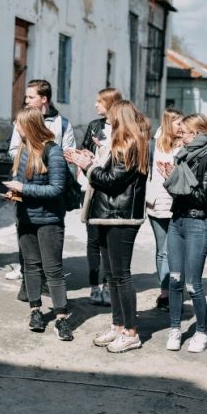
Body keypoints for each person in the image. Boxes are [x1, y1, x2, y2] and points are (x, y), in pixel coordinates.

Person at [66, 100, 149, 353]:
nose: (107, 121)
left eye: (111, 117)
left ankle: (131, 332)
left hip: (120, 217)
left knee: (121, 275)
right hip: (107, 214)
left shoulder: (130, 145)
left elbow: (112, 181)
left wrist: (88, 166)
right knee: (112, 275)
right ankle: (118, 324)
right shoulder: (118, 144)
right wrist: (91, 160)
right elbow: (105, 175)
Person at [3, 107, 73, 341]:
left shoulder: (53, 151)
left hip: (49, 220)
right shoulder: (22, 150)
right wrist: (14, 193)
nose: (16, 127)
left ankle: (61, 317)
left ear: (30, 126)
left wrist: (23, 188)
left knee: (53, 270)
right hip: (25, 218)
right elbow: (21, 183)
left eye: (19, 124)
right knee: (31, 267)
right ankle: (35, 311)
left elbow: (56, 189)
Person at [7, 79, 76, 301]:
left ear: (43, 99)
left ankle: (49, 290)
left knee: (49, 247)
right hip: (26, 184)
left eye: (31, 97)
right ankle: (28, 285)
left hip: (48, 189)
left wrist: (48, 162)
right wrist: (29, 161)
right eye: (26, 97)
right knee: (26, 240)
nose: (26, 100)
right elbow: (14, 150)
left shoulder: (62, 124)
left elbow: (68, 157)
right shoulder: (22, 121)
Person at [163, 114, 207, 353]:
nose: (180, 135)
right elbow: (179, 193)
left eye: (184, 131)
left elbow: (202, 199)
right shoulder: (183, 155)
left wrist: (178, 178)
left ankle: (201, 331)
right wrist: (172, 179)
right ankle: (175, 328)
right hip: (177, 221)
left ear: (196, 133)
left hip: (198, 223)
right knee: (175, 279)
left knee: (192, 283)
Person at [82, 88, 122, 306]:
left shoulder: (124, 127)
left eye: (99, 101)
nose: (95, 105)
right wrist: (86, 155)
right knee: (93, 239)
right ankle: (94, 286)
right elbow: (85, 152)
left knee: (110, 242)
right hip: (94, 187)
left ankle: (108, 285)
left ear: (111, 103)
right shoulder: (94, 126)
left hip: (114, 191)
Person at [146, 107, 183, 312]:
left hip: (177, 203)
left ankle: (172, 291)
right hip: (156, 203)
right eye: (178, 123)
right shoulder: (153, 144)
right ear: (169, 123)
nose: (181, 126)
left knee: (173, 251)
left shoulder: (184, 145)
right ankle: (165, 291)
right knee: (162, 251)